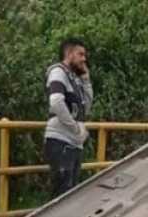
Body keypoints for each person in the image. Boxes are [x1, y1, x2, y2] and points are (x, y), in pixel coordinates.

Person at [44, 37, 93, 198]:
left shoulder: (75, 78)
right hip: (61, 141)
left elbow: (86, 106)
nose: (84, 59)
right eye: (80, 54)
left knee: (70, 194)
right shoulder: (58, 71)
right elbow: (56, 101)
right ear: (69, 53)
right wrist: (75, 128)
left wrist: (86, 80)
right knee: (62, 195)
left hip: (73, 142)